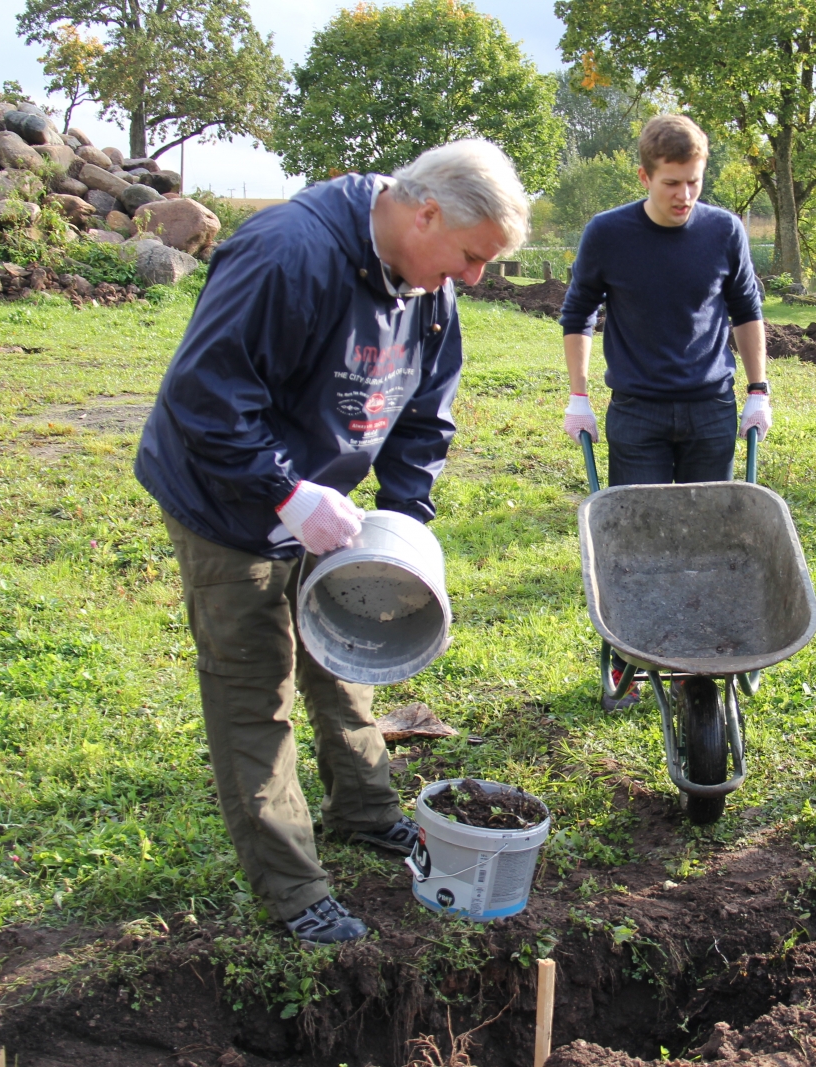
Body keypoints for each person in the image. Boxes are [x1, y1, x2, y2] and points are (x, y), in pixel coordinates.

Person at [134, 140, 529, 944]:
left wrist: (407, 510)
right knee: (256, 691)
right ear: (425, 213)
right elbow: (204, 398)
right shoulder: (288, 254)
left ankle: (366, 810)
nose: (476, 278)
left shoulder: (428, 288)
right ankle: (292, 888)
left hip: (322, 501)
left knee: (345, 656)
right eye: (471, 256)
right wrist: (283, 489)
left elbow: (424, 409)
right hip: (226, 501)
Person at [557, 115, 769, 708]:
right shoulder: (608, 234)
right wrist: (578, 395)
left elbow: (746, 311)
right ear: (646, 175)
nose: (685, 196)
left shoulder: (723, 231)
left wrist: (758, 389)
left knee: (708, 540)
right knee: (639, 544)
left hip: (710, 408)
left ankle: (703, 651)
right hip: (638, 412)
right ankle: (634, 654)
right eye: (672, 183)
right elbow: (578, 315)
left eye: (695, 182)